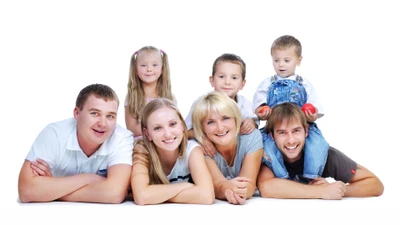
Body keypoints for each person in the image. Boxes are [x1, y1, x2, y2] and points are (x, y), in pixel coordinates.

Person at [18, 83, 134, 203]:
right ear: (77, 113)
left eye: (110, 116)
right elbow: (26, 191)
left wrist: (51, 191)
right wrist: (88, 178)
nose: (103, 123)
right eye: (95, 113)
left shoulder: (122, 138)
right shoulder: (54, 134)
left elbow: (114, 193)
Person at [256, 102, 384, 199]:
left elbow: (375, 184)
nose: (291, 140)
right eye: (282, 133)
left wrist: (339, 190)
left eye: (296, 131)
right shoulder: (268, 154)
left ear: (306, 131)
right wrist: (320, 192)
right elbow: (266, 187)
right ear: (272, 136)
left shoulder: (322, 154)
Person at [252, 35, 328, 179]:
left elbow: (315, 107)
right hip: (275, 129)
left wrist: (312, 115)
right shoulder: (267, 83)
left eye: (287, 60)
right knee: (265, 148)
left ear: (298, 60)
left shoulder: (304, 83)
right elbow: (257, 106)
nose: (281, 65)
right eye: (276, 60)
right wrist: (262, 112)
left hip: (302, 127)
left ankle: (311, 177)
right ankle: (282, 177)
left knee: (317, 146)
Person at [130, 98, 214, 205]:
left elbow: (207, 195)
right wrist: (184, 186)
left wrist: (156, 196)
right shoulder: (142, 151)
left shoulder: (192, 150)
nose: (168, 134)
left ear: (182, 126)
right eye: (157, 128)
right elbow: (141, 196)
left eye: (173, 124)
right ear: (147, 134)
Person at [191, 91, 263, 205]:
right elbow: (217, 185)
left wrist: (237, 191)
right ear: (202, 128)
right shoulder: (200, 148)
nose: (220, 128)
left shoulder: (252, 137)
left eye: (225, 118)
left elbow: (249, 184)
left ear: (236, 119)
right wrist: (227, 190)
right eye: (210, 122)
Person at [185, 53, 258, 157]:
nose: (227, 82)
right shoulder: (201, 104)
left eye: (234, 78)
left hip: (234, 155)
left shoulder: (245, 104)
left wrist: (250, 123)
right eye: (221, 76)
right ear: (212, 80)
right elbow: (185, 131)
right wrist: (202, 138)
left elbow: (255, 122)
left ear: (242, 84)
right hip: (209, 152)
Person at [125, 46, 175, 141]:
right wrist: (155, 129)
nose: (149, 69)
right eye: (143, 65)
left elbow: (174, 125)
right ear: (136, 69)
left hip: (165, 140)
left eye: (154, 65)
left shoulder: (169, 96)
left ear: (162, 68)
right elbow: (132, 128)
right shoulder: (132, 97)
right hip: (141, 142)